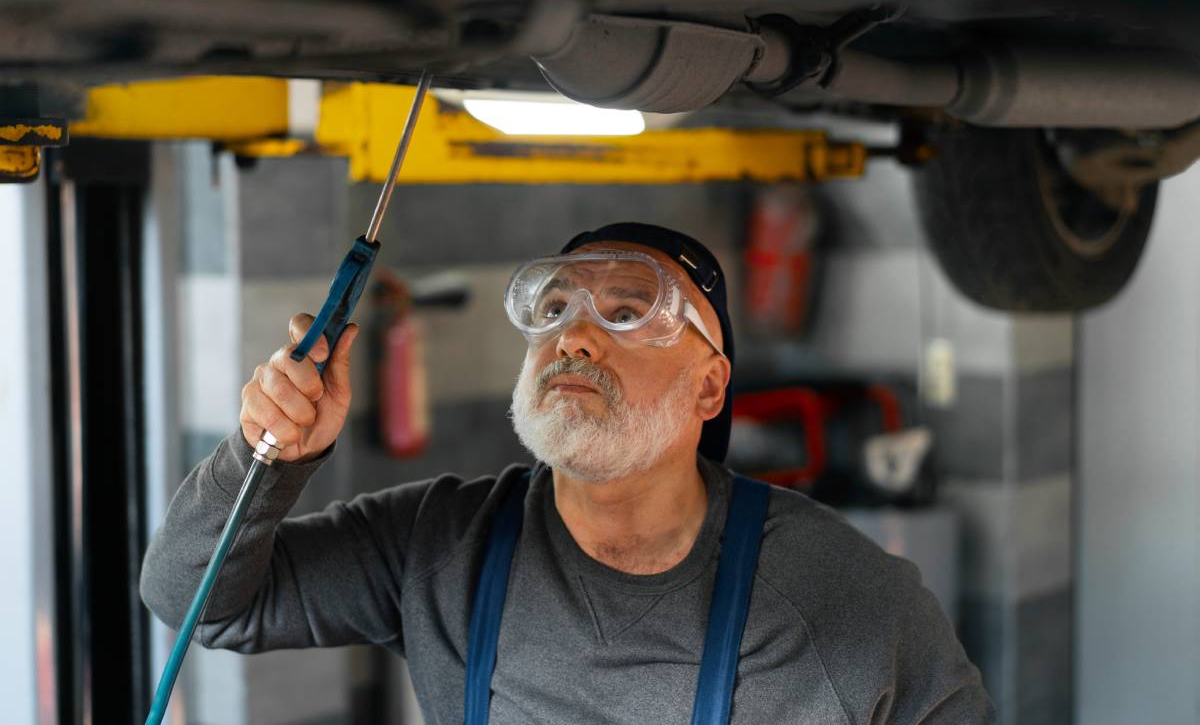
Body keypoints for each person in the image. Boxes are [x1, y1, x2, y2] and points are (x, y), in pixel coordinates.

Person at [141, 222, 995, 724]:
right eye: (555, 309)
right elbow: (194, 601)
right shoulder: (438, 547)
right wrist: (267, 454)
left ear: (708, 386)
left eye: (629, 312)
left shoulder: (842, 595)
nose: (574, 336)